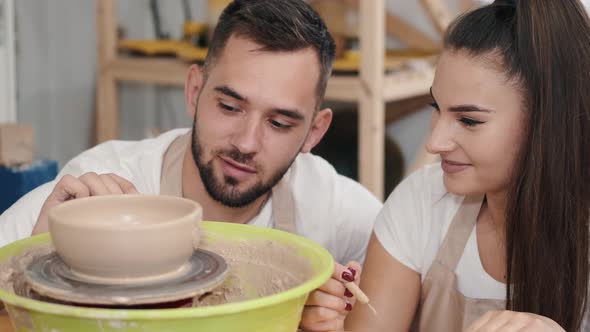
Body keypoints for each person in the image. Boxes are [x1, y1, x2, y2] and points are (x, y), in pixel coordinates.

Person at [0, 1, 382, 330]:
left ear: (314, 133)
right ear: (195, 92)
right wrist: (34, 263)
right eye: (230, 107)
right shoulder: (102, 187)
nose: (246, 143)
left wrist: (340, 318)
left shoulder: (334, 206)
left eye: (279, 124)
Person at [346, 0, 590, 331]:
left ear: (548, 122)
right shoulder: (421, 202)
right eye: (437, 107)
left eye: (469, 120)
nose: (435, 143)